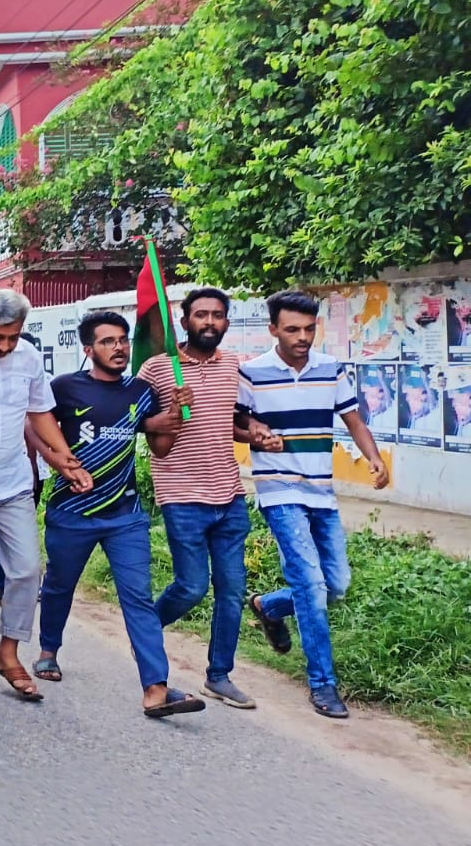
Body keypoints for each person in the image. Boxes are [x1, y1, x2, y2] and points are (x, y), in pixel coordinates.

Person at [34, 311, 204, 718]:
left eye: (123, 340)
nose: (119, 348)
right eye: (107, 341)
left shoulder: (142, 391)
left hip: (125, 515)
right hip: (71, 511)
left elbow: (160, 447)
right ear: (88, 349)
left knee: (138, 598)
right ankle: (48, 650)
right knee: (59, 585)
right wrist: (59, 463)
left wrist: (175, 415)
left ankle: (156, 688)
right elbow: (34, 426)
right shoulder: (65, 388)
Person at [238, 290, 389, 720]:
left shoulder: (330, 368)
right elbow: (235, 424)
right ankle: (323, 684)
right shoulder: (252, 373)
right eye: (292, 329)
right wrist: (256, 434)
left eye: (309, 329)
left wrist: (375, 458)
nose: (302, 337)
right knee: (311, 585)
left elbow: (354, 420)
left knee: (336, 584)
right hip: (279, 492)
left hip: (321, 492)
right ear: (273, 329)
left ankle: (268, 606)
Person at [0, 289, 90, 703]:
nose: (4, 346)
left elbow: (39, 412)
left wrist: (64, 458)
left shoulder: (27, 358)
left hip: (13, 483)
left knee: (26, 570)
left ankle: (8, 652)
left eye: (12, 337)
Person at [139, 287, 258, 710]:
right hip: (182, 495)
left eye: (218, 315)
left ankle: (219, 675)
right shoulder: (158, 369)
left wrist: (256, 434)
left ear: (226, 321)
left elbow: (234, 423)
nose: (210, 322)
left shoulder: (234, 366)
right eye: (201, 314)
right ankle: (144, 631)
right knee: (191, 587)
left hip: (229, 495)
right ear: (185, 320)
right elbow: (141, 426)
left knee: (232, 590)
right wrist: (169, 413)